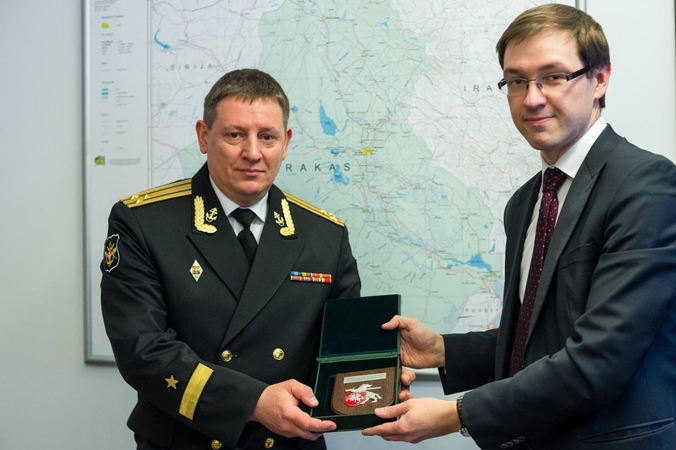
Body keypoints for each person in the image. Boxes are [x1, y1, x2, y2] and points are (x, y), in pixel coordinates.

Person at [362, 4, 676, 449]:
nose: (532, 98)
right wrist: (442, 350)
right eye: (516, 81)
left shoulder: (645, 186)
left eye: (554, 76)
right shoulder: (526, 201)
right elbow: (539, 339)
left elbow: (600, 359)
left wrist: (456, 414)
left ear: (600, 79)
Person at [100, 68, 361, 450]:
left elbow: (343, 350)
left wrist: (378, 379)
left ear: (286, 142)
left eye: (267, 137)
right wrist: (252, 402)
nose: (253, 153)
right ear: (204, 137)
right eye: (235, 135)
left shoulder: (325, 235)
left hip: (288, 444)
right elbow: (142, 350)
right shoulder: (144, 223)